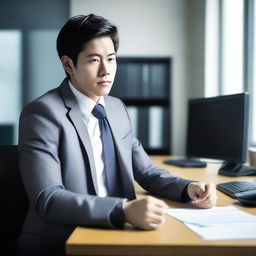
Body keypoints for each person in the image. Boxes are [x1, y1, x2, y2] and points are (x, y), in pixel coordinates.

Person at [17, 14, 217, 256]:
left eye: (111, 59)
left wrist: (188, 188)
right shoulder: (42, 113)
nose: (106, 71)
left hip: (120, 232)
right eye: (93, 60)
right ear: (68, 64)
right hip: (63, 240)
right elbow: (47, 198)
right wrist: (123, 209)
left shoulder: (116, 108)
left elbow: (148, 173)